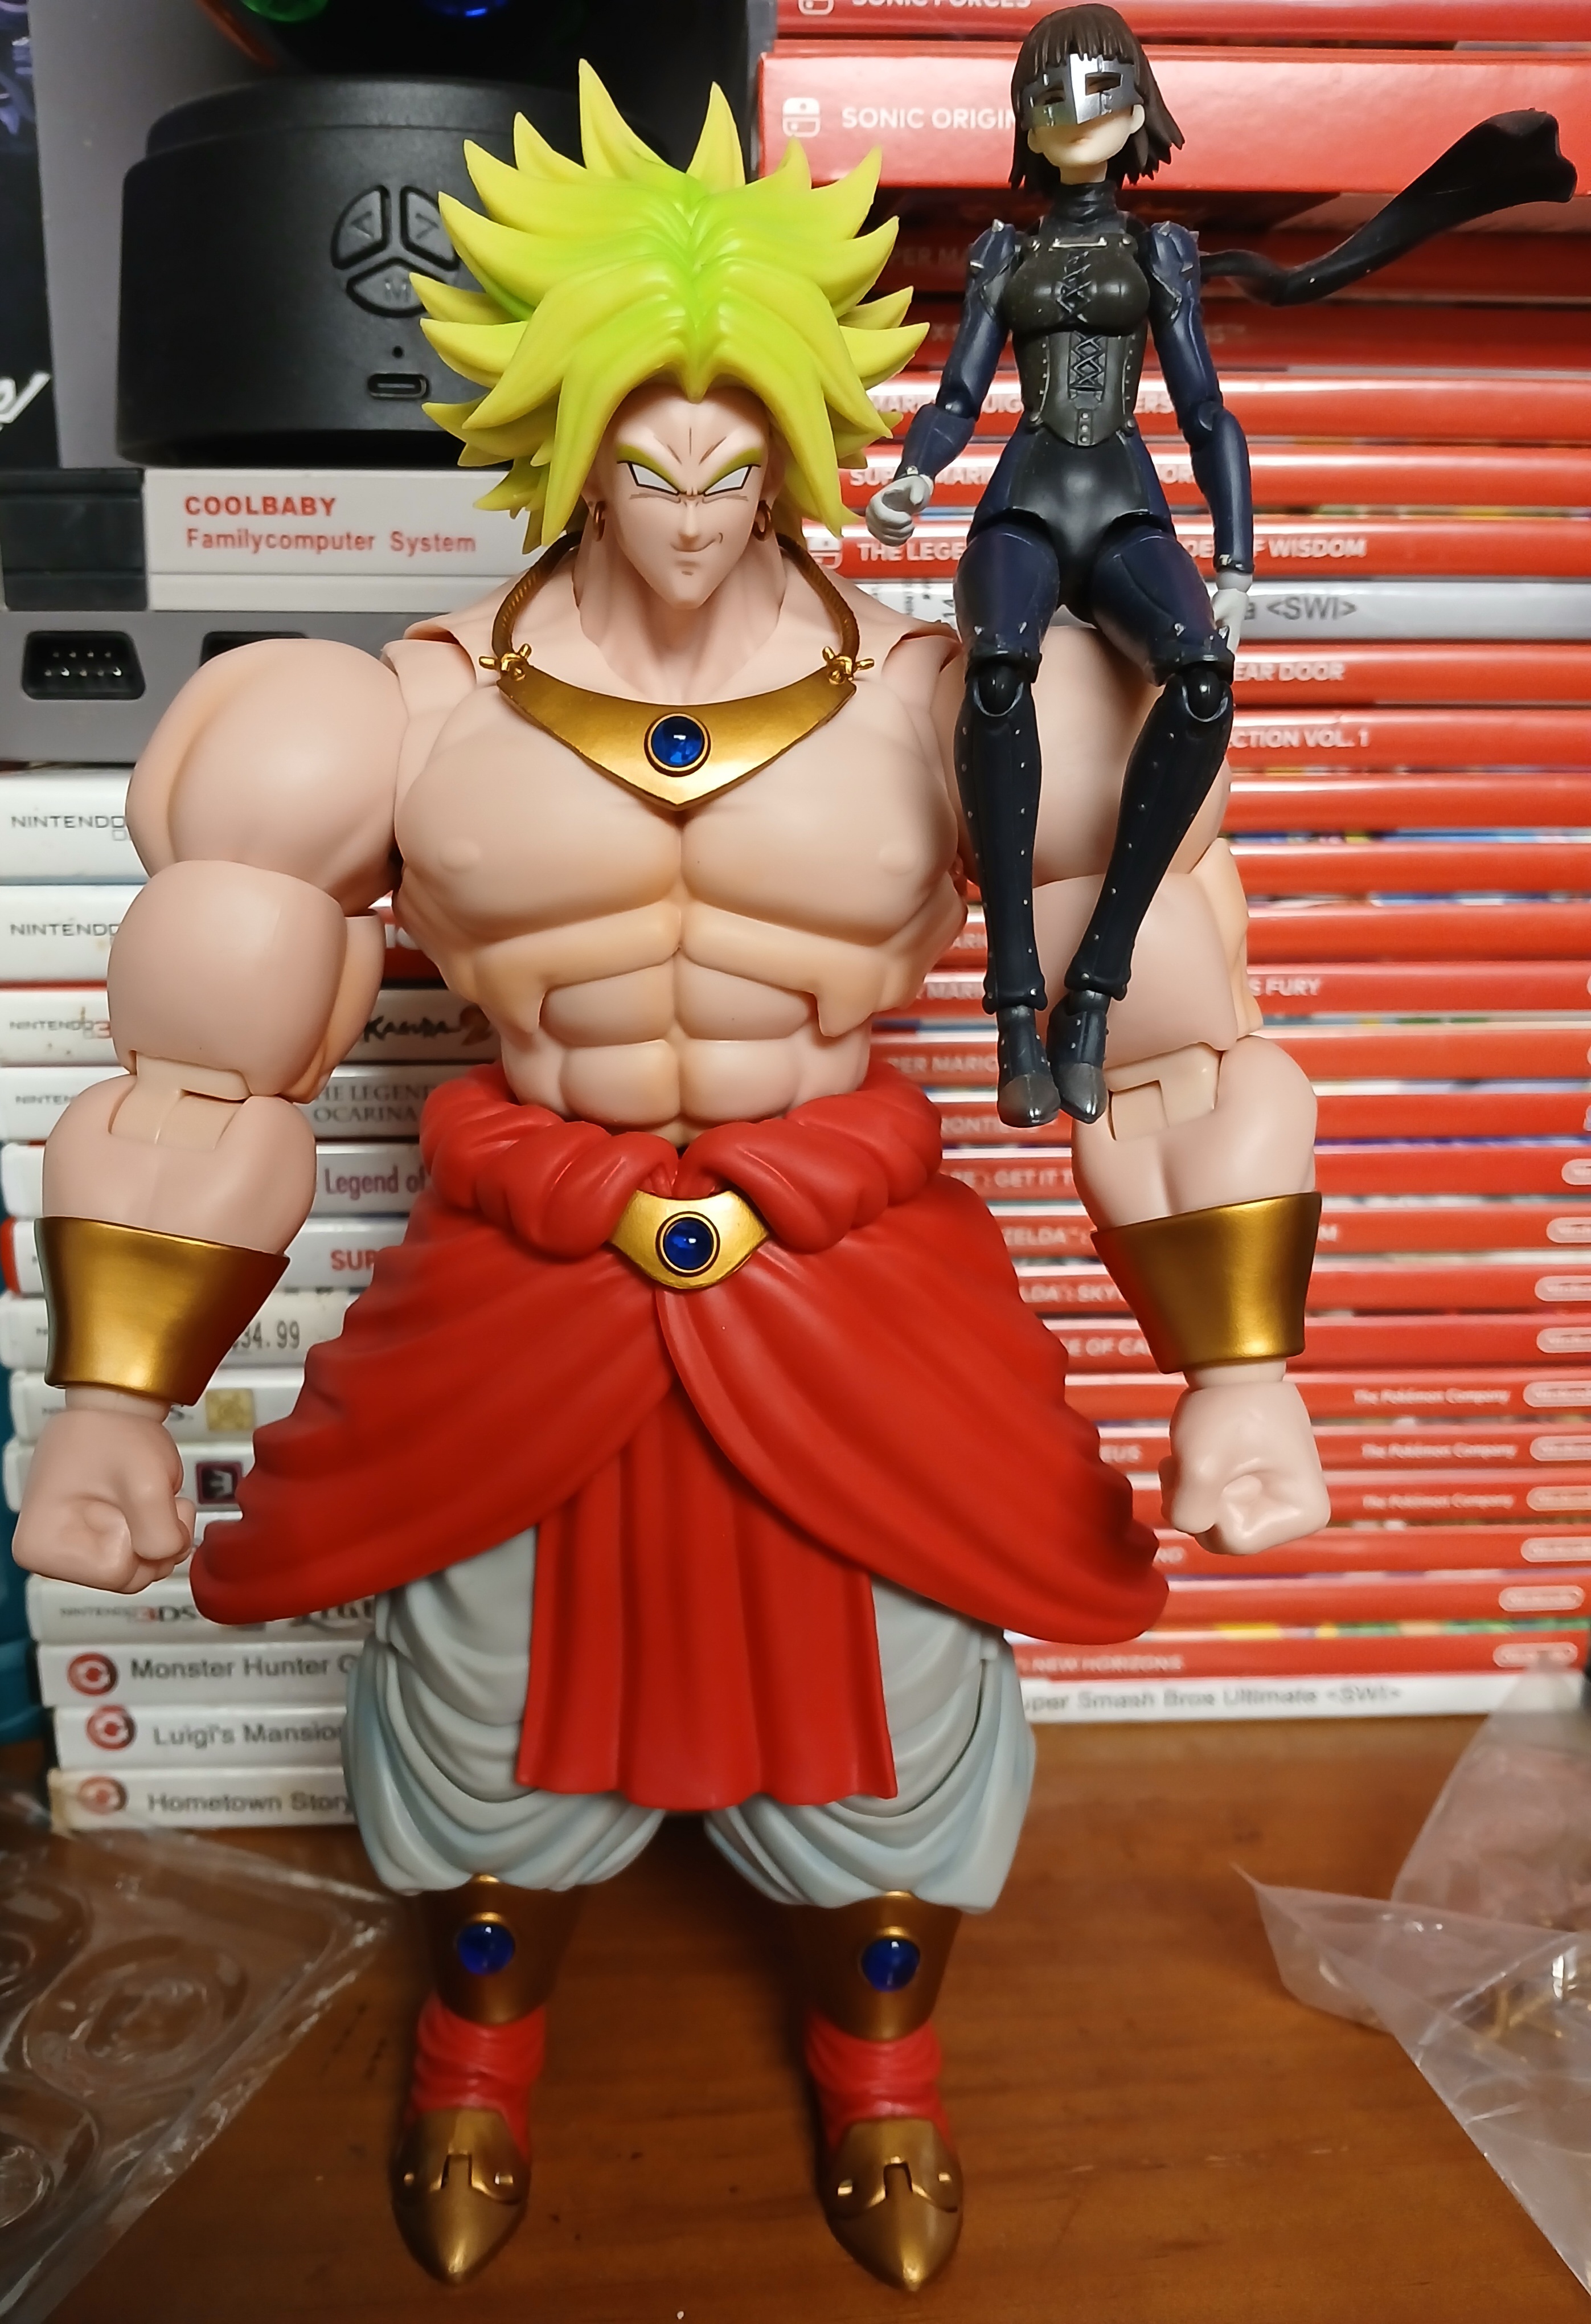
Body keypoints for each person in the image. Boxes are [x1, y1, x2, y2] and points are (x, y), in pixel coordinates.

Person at [14, 69, 1327, 2294]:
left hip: (855, 1284)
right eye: (646, 458)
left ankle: (883, 2072)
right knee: (477, 1727)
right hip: (522, 1286)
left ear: (809, 448)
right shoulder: (389, 715)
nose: (695, 511)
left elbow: (1171, 1027)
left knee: (896, 1730)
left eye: (739, 462)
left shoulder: (960, 701)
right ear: (556, 439)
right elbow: (207, 1058)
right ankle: (475, 2052)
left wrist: (1240, 1372)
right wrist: (113, 1403)